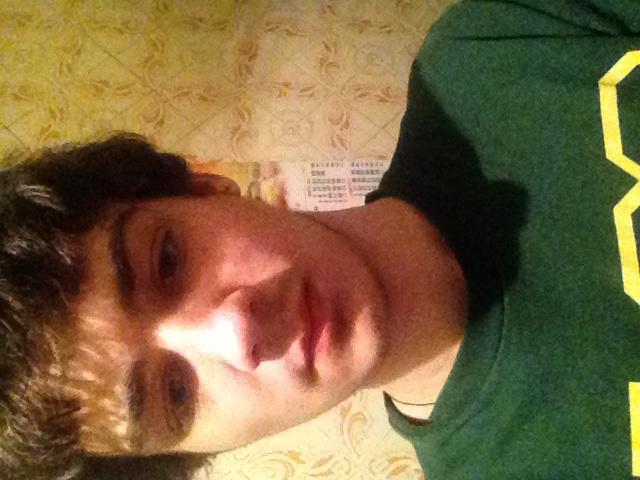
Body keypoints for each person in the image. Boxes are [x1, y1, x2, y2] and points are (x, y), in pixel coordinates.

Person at [2, 1, 639, 479]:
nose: (238, 331)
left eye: (167, 260)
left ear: (205, 188)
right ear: (202, 450)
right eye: (176, 395)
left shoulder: (493, 48)